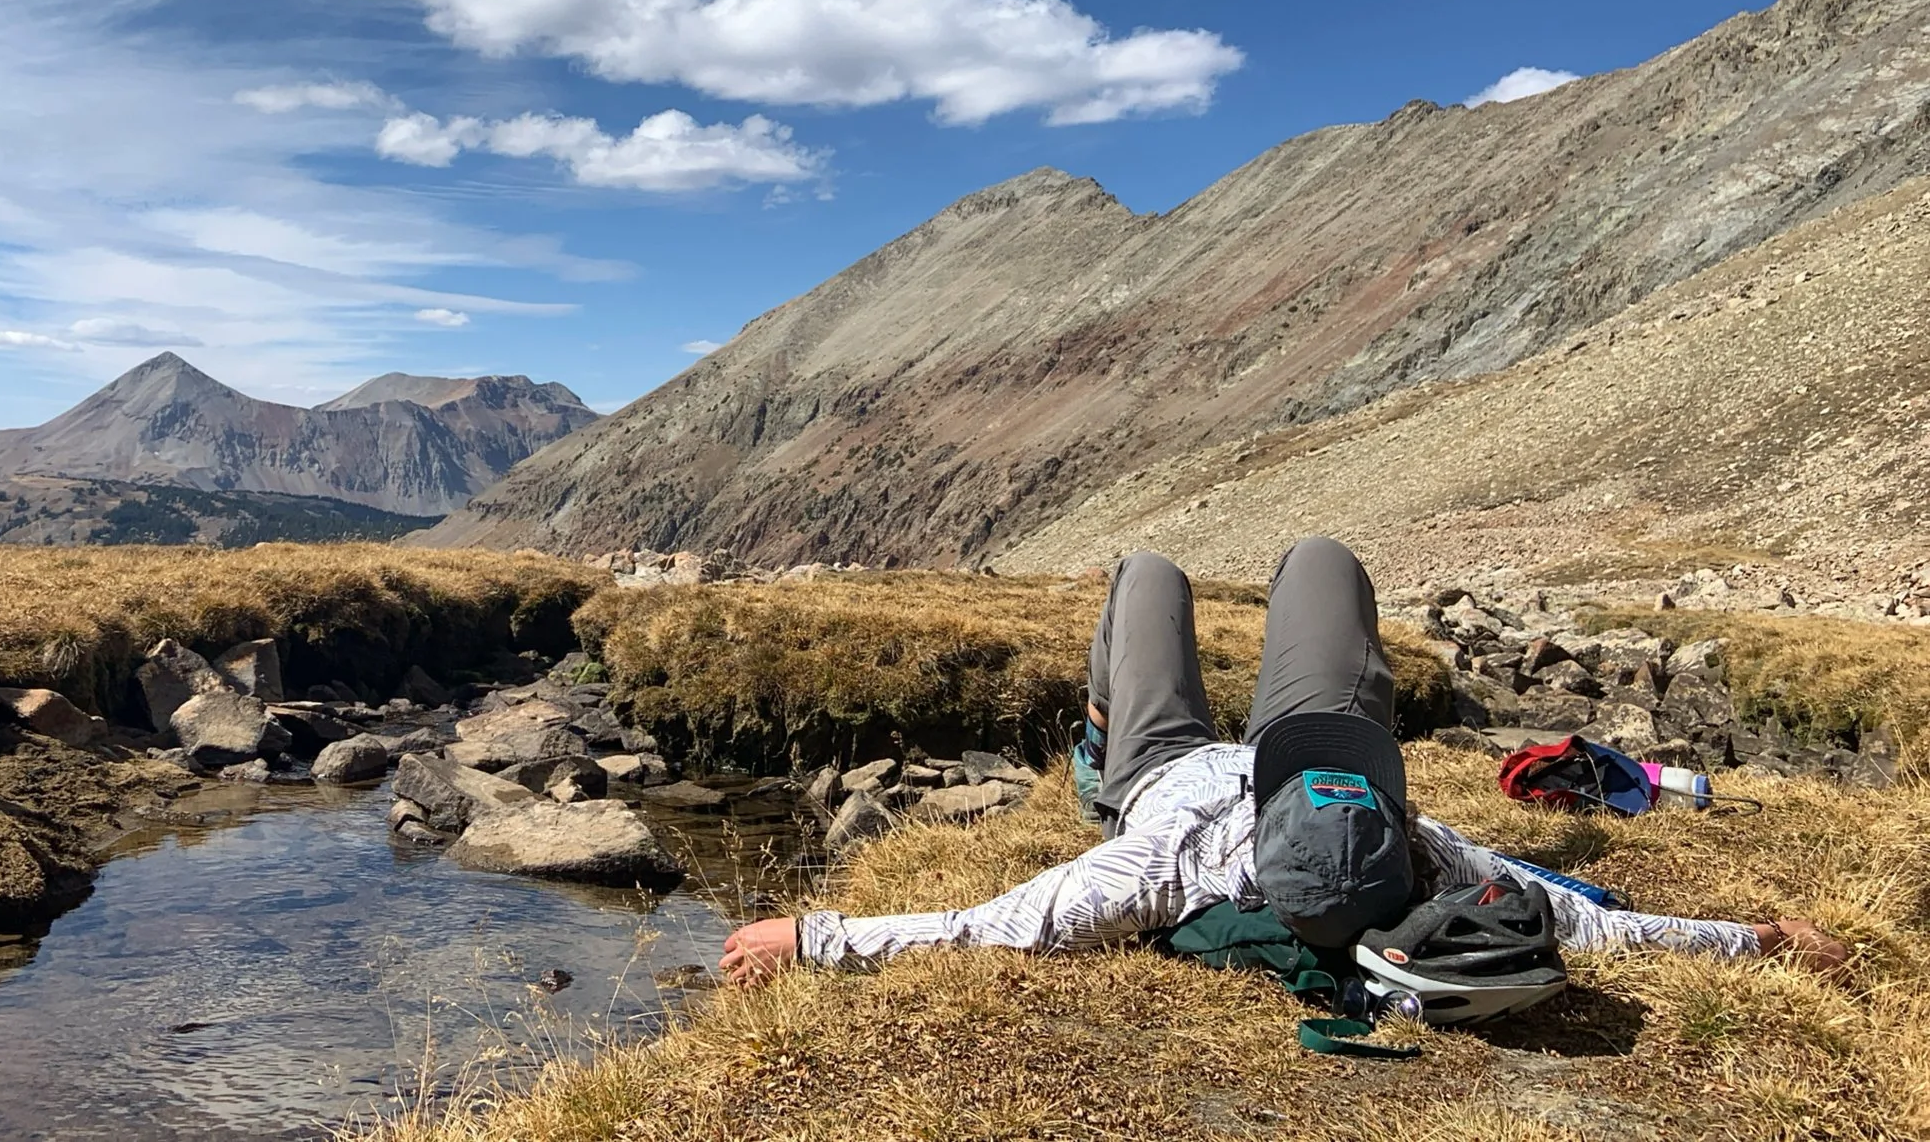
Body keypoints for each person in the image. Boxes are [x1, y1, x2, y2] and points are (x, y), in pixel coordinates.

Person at [720, 538, 1852, 986]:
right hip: (1273, 750)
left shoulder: (1153, 869)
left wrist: (809, 937)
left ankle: (1096, 740)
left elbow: (986, 924)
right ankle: (1202, 694)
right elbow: (1586, 916)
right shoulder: (1413, 853)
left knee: (1147, 576)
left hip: (1159, 765)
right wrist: (1757, 942)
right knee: (1321, 564)